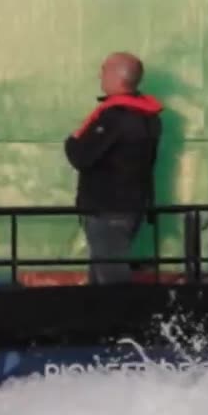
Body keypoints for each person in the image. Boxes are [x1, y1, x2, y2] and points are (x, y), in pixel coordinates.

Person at [63, 53, 166, 284]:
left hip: (107, 209)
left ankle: (122, 318)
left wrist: (71, 142)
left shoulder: (115, 118)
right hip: (134, 205)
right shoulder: (149, 117)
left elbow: (81, 156)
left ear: (118, 76)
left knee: (110, 275)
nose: (100, 75)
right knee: (102, 270)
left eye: (104, 70)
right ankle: (100, 317)